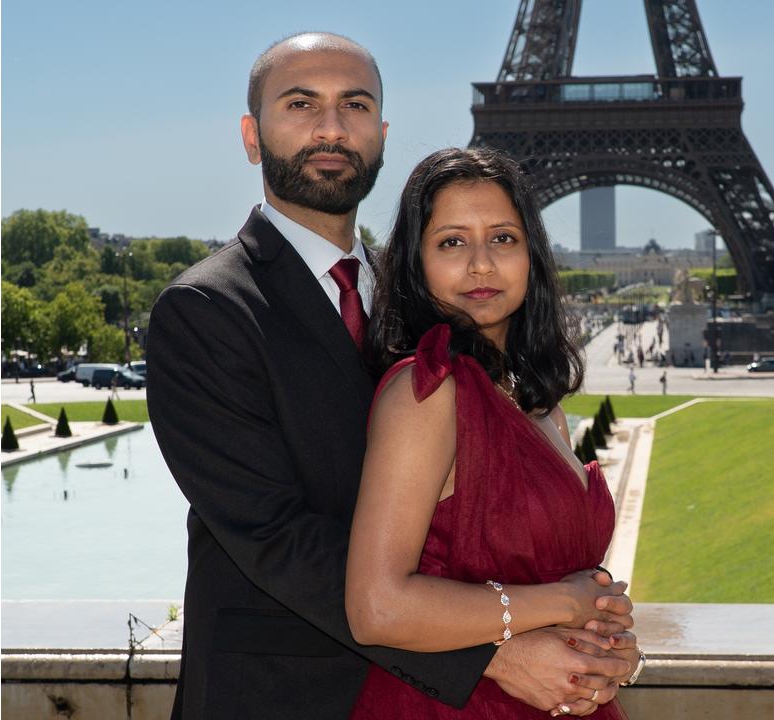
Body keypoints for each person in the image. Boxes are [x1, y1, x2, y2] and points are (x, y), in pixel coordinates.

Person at [146, 35, 628, 720]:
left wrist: (591, 628)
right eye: (300, 104)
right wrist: (497, 647)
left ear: (382, 133)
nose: (332, 127)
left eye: (355, 104)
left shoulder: (427, 306)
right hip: (287, 696)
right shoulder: (205, 311)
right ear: (252, 137)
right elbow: (276, 536)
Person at [347, 148, 642, 718]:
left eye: (503, 238)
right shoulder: (425, 393)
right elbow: (376, 607)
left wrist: (606, 644)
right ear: (416, 263)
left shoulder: (540, 407)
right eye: (452, 242)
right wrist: (564, 599)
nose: (481, 264)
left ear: (531, 254)